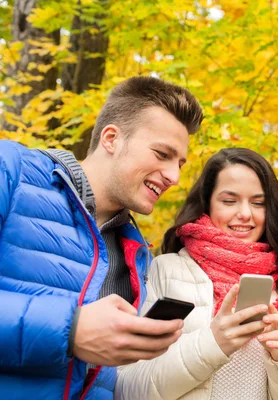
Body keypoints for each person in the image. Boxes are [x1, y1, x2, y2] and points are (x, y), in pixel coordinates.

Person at [0, 76, 204, 400]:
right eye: (162, 154)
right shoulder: (11, 171)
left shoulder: (137, 258)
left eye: (179, 163)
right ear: (111, 138)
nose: (174, 177)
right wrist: (71, 329)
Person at [117, 148, 278, 400]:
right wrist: (212, 343)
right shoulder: (165, 271)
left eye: (258, 203)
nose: (245, 213)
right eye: (229, 201)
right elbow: (127, 388)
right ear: (207, 204)